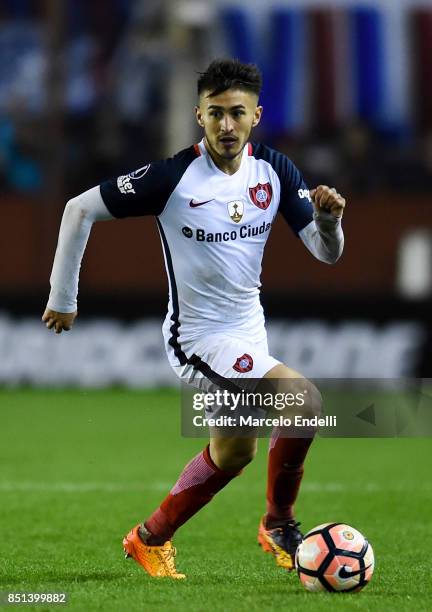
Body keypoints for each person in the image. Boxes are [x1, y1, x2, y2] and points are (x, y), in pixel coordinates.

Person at [42, 58, 345, 579]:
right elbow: (77, 209)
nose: (226, 125)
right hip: (199, 338)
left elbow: (325, 253)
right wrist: (63, 295)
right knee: (305, 400)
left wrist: (328, 221)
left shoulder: (274, 171)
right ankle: (280, 522)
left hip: (249, 329)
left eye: (237, 113)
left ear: (256, 115)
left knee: (232, 453)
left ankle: (148, 538)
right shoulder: (172, 177)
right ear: (197, 116)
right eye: (215, 114)